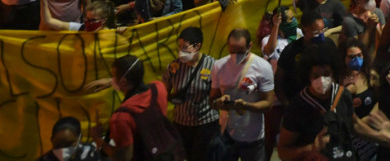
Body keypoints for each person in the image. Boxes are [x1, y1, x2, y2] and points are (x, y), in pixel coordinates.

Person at [92, 55, 186, 160]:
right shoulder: (158, 89)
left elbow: (123, 157)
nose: (113, 80)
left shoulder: (122, 117)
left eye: (114, 77)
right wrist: (113, 81)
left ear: (123, 81)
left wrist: (98, 139)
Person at [277, 42, 356, 161]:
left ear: (334, 74)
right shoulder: (298, 107)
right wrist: (310, 148)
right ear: (308, 76)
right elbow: (283, 152)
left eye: (326, 74)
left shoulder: (343, 95)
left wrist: (379, 135)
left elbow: (354, 124)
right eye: (316, 75)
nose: (322, 80)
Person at [211, 28, 276, 161]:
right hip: (227, 135)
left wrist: (246, 106)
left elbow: (268, 104)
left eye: (240, 51)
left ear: (250, 46)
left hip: (253, 137)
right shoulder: (219, 66)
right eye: (232, 51)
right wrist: (219, 102)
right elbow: (211, 100)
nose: (235, 55)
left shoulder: (262, 67)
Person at [162, 27, 219, 161]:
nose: (181, 51)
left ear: (197, 46)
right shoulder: (173, 67)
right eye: (179, 47)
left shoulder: (213, 66)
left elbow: (218, 95)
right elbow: (163, 93)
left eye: (185, 47)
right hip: (180, 123)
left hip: (205, 124)